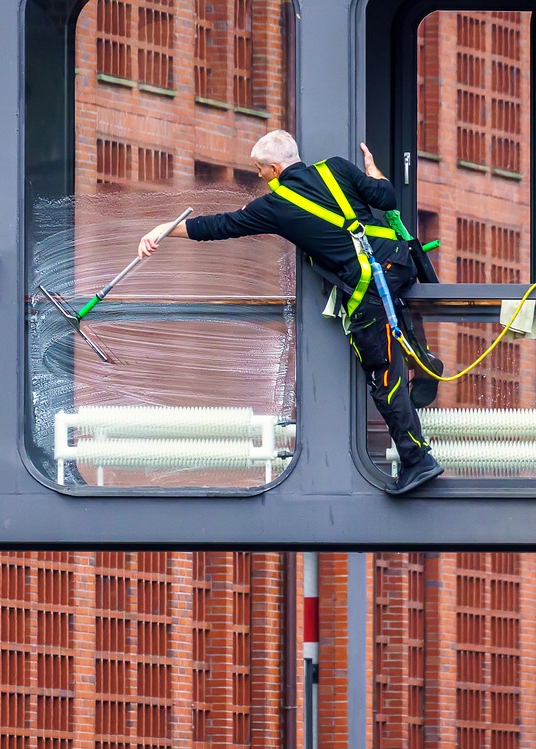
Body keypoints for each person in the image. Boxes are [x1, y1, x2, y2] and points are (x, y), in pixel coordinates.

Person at [138, 129, 443, 495]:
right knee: (393, 319)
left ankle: (417, 460)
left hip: (369, 286)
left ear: (275, 168)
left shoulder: (276, 205)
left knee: (383, 375)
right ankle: (422, 361)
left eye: (260, 169)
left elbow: (219, 226)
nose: (260, 176)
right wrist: (374, 171)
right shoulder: (336, 167)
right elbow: (386, 196)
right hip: (398, 262)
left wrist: (165, 229)